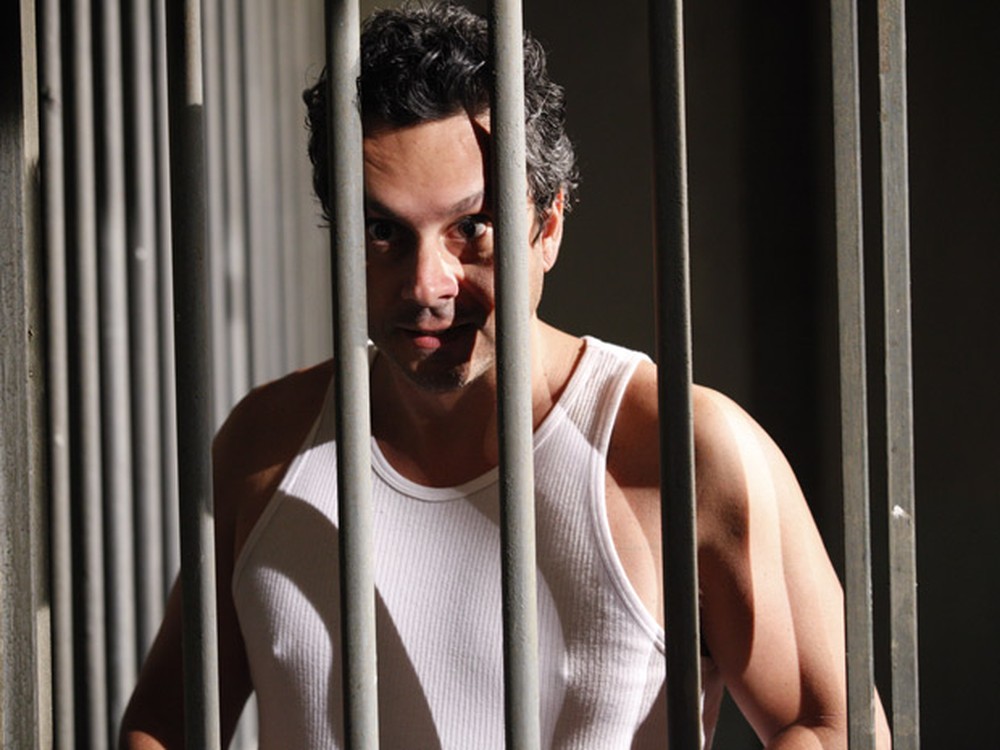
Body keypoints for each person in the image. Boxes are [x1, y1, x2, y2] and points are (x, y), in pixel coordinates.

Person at [121, 3, 891, 748]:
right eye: (382, 230)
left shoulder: (681, 452)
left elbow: (834, 727)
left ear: (548, 226)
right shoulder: (267, 445)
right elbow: (162, 724)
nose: (426, 284)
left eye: (473, 227)